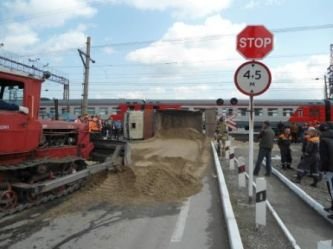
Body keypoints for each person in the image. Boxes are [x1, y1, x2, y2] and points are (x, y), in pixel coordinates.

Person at [318, 123, 333, 219]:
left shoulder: (323, 141)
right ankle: (332, 207)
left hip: (330, 169)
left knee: (332, 190)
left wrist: (322, 169)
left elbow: (324, 158)